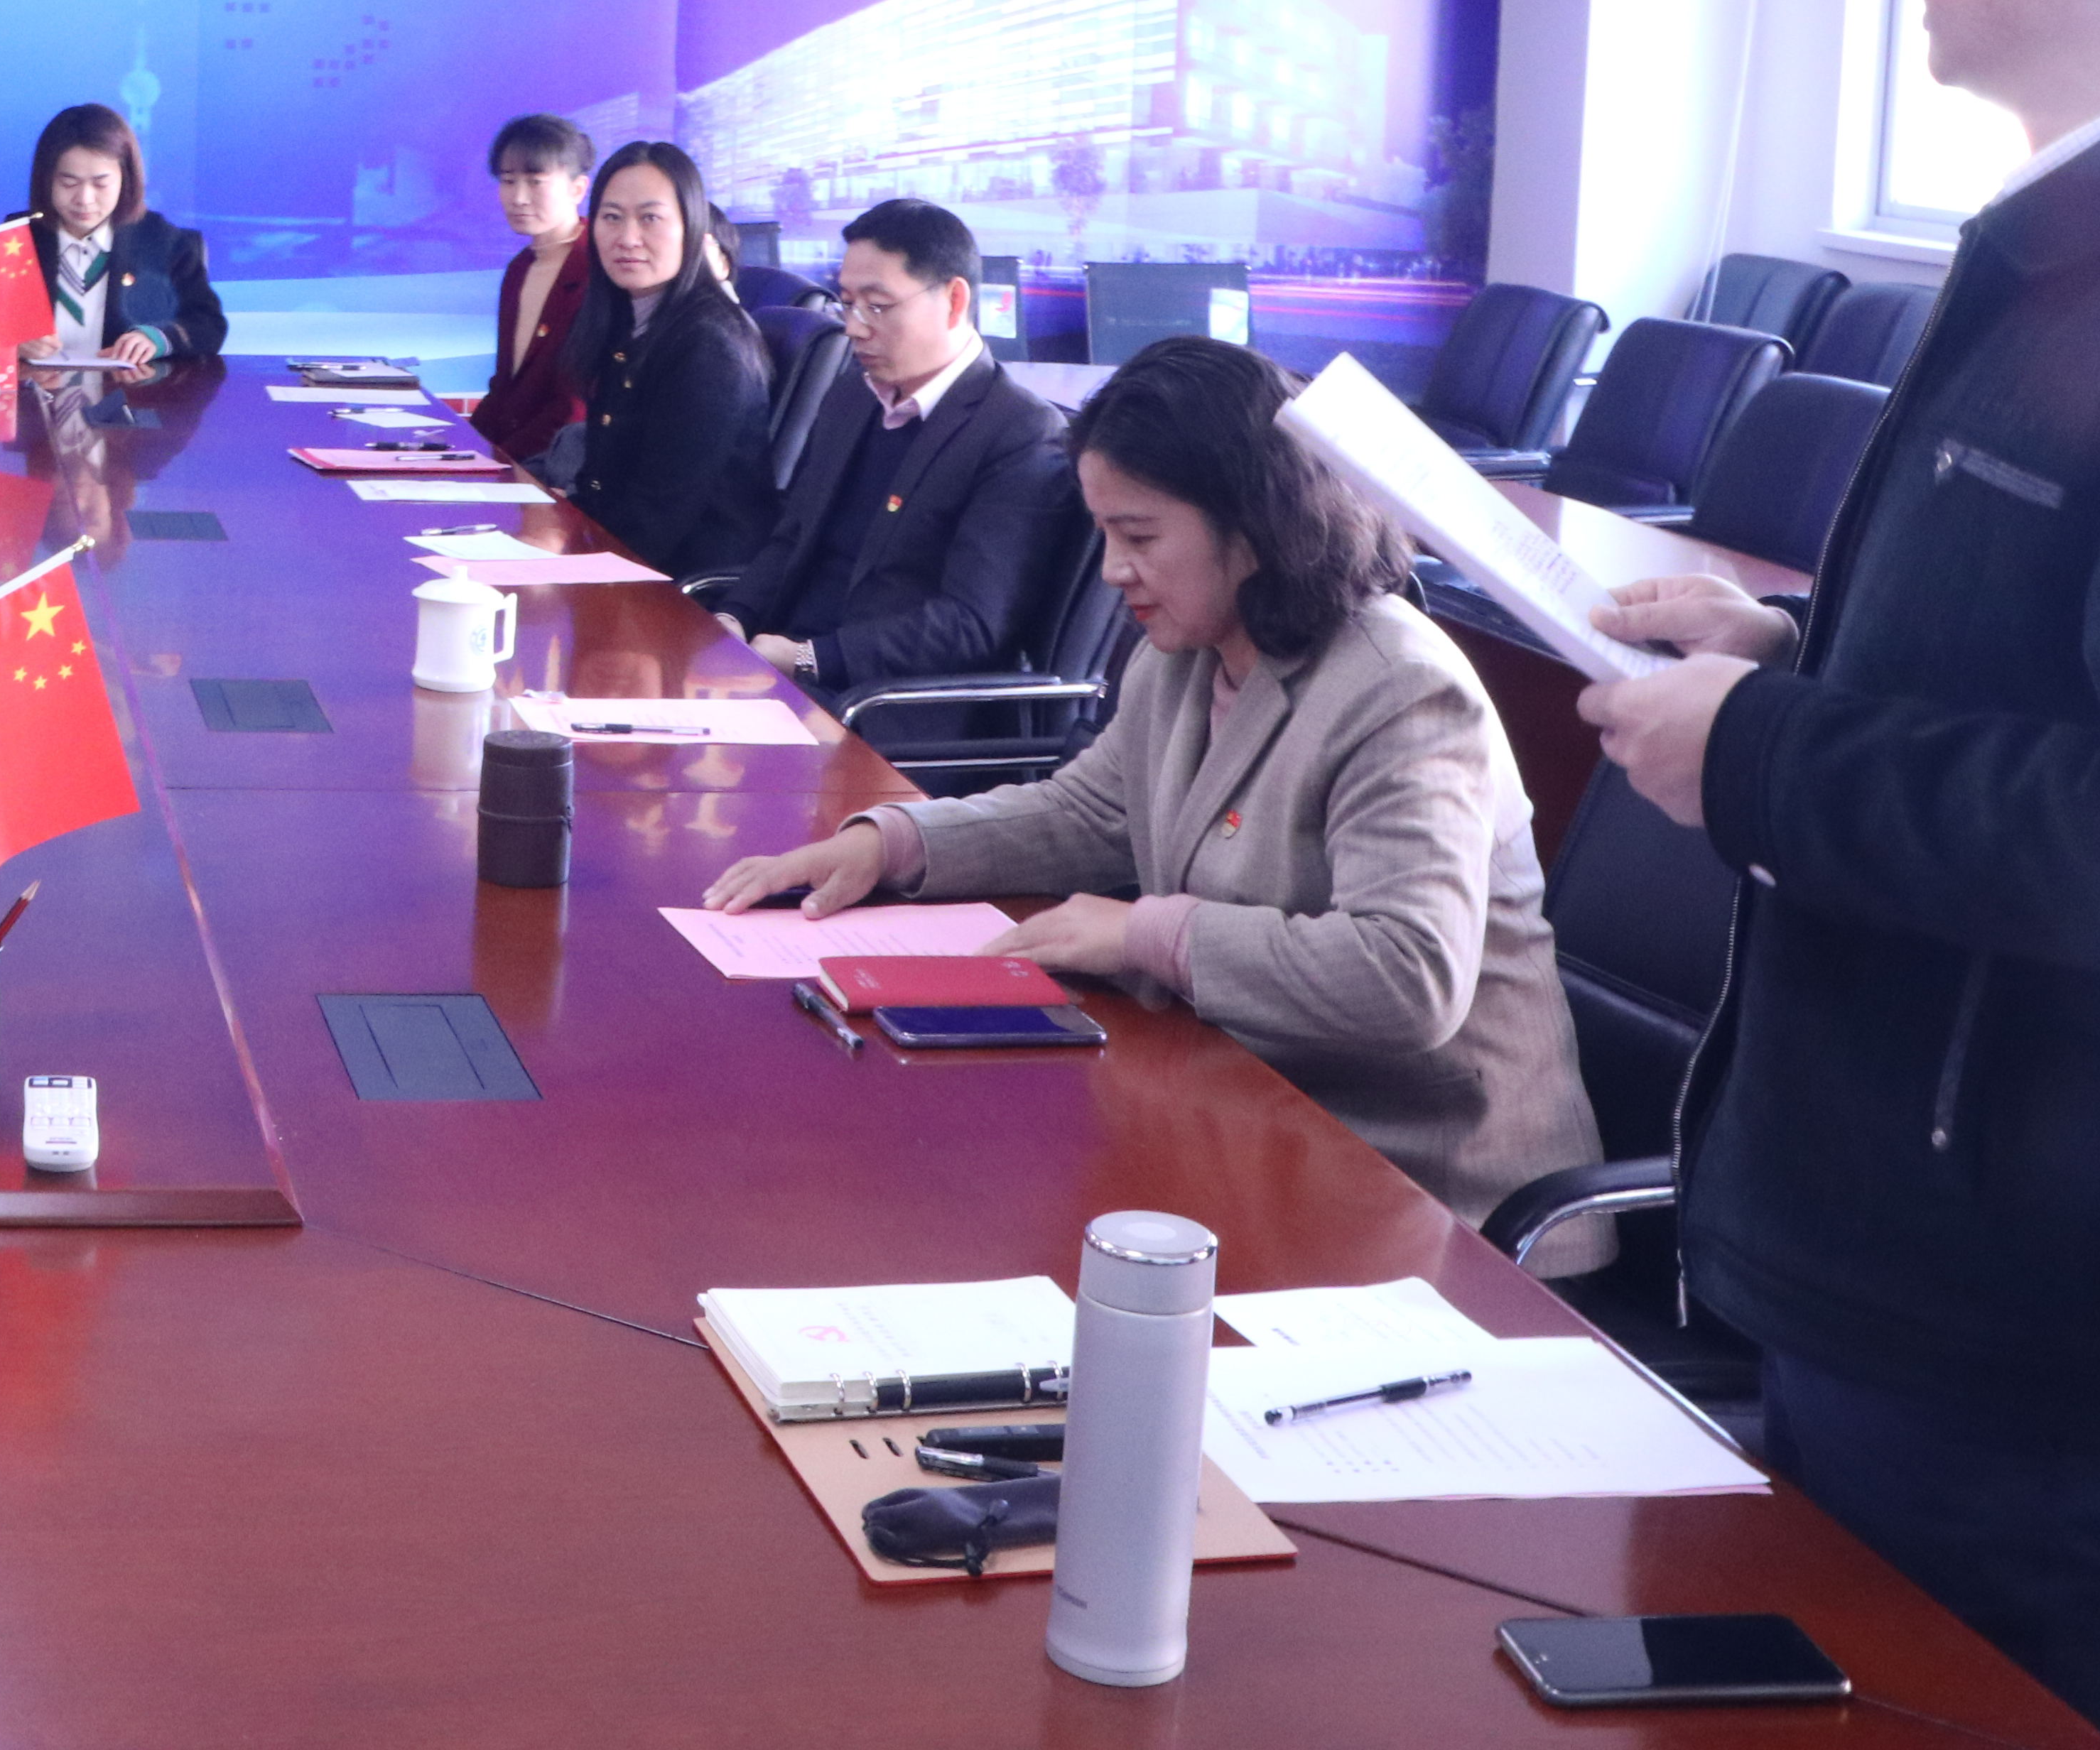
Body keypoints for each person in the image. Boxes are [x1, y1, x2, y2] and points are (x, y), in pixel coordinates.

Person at [1582, 0, 2100, 1750]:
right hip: (1894, 1246)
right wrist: (1789, 663)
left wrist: (1767, 759)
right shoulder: (2081, 230)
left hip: (2041, 1320)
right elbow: (2060, 679)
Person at [711, 336, 1606, 1267]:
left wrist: (1148, 934)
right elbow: (1093, 813)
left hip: (1431, 1192)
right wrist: (894, 844)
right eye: (1104, 534)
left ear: (1254, 526)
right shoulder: (1189, 647)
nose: (1112, 570)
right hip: (1255, 1115)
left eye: (1139, 538)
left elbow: (1407, 975)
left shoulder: (1399, 688)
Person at [720, 197, 1078, 699]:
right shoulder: (852, 395)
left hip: (880, 703)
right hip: (781, 668)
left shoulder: (1019, 434)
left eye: (878, 306)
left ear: (954, 300)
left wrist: (813, 658)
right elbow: (792, 536)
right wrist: (736, 617)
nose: (854, 327)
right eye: (847, 303)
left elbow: (970, 625)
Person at [559, 140, 769, 580]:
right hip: (621, 557)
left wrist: (561, 560)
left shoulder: (709, 344)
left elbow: (656, 518)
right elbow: (604, 484)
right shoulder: (629, 322)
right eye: (611, 217)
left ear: (691, 229)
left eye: (650, 218)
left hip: (682, 588)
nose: (627, 238)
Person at [17, 102, 224, 371]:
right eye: (69, 183)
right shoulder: (15, 241)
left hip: (129, 392)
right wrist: (11, 340)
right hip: (35, 391)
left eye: (100, 183)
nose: (85, 199)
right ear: (45, 180)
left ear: (125, 179)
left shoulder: (166, 243)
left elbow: (208, 324)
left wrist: (158, 339)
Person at [467, 114, 595, 464]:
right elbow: (505, 387)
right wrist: (462, 452)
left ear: (578, 189)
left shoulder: (595, 269)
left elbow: (573, 407)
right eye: (508, 181)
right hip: (512, 460)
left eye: (536, 182)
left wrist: (500, 462)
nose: (519, 198)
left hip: (559, 467)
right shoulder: (520, 268)